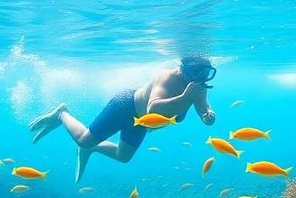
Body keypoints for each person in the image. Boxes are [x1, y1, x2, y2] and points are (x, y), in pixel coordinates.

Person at [28, 56, 217, 182]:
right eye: (196, 73)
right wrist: (185, 98)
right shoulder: (167, 77)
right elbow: (153, 107)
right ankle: (61, 114)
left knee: (123, 156)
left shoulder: (197, 87)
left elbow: (204, 112)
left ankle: (90, 149)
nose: (200, 78)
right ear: (184, 68)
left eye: (205, 73)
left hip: (141, 123)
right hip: (125, 106)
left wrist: (208, 117)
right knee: (83, 140)